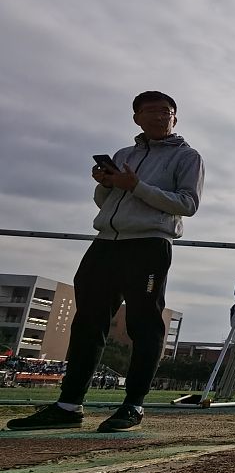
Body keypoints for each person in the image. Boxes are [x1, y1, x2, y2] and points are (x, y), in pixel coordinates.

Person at [7, 91, 204, 433]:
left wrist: (136, 185)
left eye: (167, 112)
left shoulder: (188, 157)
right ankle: (68, 405)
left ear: (175, 118)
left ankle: (133, 405)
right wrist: (105, 184)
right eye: (152, 111)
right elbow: (106, 203)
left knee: (144, 325)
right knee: (87, 324)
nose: (160, 117)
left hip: (149, 245)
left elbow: (187, 204)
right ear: (136, 118)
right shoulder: (124, 154)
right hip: (105, 244)